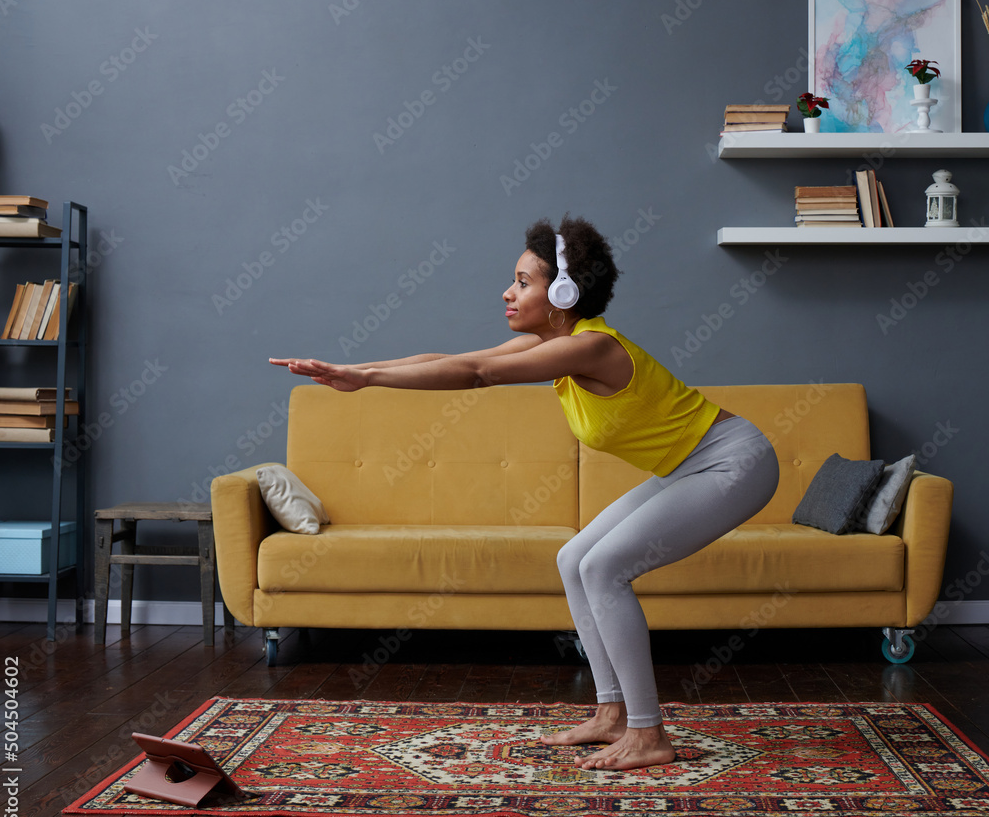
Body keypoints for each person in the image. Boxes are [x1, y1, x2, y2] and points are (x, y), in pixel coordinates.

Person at [270, 214, 779, 771]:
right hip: (690, 466)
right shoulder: (554, 346)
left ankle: (648, 733)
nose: (508, 293)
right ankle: (611, 714)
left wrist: (367, 378)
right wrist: (355, 371)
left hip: (733, 462)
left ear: (562, 293)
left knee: (606, 567)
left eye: (522, 281)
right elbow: (449, 360)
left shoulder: (591, 348)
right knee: (575, 558)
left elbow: (477, 373)